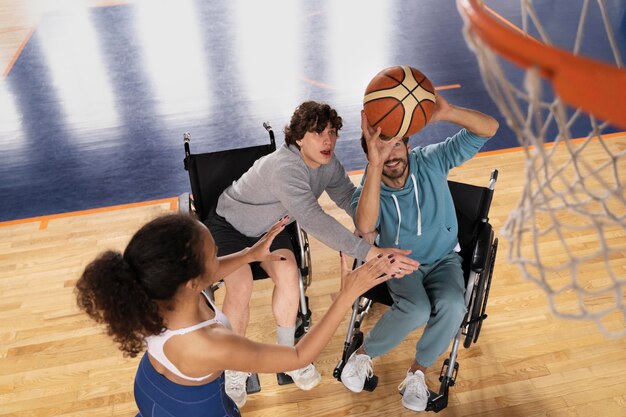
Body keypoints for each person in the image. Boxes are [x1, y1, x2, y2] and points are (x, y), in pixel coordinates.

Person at [75, 213, 401, 417]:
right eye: (214, 253)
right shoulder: (210, 344)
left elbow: (208, 271)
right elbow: (298, 354)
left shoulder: (158, 290)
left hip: (153, 387)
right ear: (192, 282)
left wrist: (250, 254)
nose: (220, 257)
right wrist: (346, 295)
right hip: (193, 410)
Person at [205, 100, 419, 406]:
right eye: (318, 133)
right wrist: (373, 253)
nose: (328, 140)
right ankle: (234, 368)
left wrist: (377, 226)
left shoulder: (328, 165)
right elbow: (314, 220)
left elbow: (349, 198)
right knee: (241, 287)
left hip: (271, 229)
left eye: (331, 132)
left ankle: (288, 358)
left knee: (290, 275)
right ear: (298, 138)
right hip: (231, 226)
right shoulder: (285, 168)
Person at [340, 93, 499, 412]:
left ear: (409, 145)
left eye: (397, 144)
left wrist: (448, 112)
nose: (391, 153)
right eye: (382, 148)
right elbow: (366, 224)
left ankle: (416, 373)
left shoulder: (432, 159)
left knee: (455, 306)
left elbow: (489, 128)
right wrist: (374, 164)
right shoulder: (368, 190)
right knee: (416, 310)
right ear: (371, 155)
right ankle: (362, 355)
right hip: (401, 264)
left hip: (444, 260)